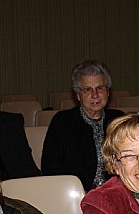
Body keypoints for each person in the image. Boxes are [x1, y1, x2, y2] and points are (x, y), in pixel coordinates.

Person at [42, 60, 125, 191]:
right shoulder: (62, 123)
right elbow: (51, 168)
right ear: (78, 95)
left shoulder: (119, 120)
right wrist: (79, 192)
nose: (95, 95)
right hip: (76, 194)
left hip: (116, 192)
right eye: (87, 89)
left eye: (100, 88)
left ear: (108, 92)